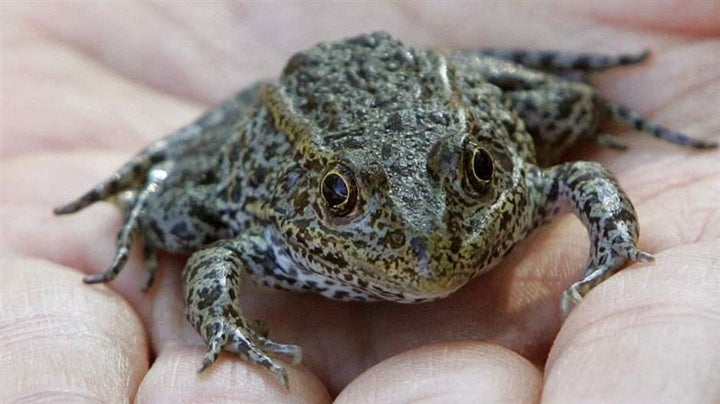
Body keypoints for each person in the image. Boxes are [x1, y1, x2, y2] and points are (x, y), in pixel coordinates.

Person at [2, 3, 718, 402]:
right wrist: (228, 331)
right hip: (294, 117)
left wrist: (616, 250)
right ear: (325, 195)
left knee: (574, 112)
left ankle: (467, 148)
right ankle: (153, 172)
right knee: (168, 219)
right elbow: (218, 258)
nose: (424, 240)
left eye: (469, 174)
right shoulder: (283, 239)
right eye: (346, 199)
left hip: (427, 86)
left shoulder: (520, 192)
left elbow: (581, 179)